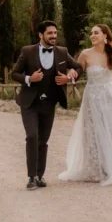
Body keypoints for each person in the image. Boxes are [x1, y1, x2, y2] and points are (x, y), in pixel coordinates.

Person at [59, 24, 112, 186]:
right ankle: (98, 168)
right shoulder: (85, 54)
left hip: (111, 97)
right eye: (91, 33)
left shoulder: (111, 53)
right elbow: (76, 70)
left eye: (96, 33)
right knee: (95, 130)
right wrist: (69, 76)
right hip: (94, 98)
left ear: (105, 36)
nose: (92, 35)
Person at [11, 21, 82, 190]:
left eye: (55, 33)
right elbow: (14, 73)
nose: (54, 36)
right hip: (30, 103)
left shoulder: (62, 52)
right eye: (50, 33)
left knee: (43, 140)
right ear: (40, 35)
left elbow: (78, 67)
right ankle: (31, 177)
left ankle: (40, 175)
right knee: (32, 136)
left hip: (49, 103)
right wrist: (29, 79)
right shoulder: (28, 51)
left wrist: (70, 78)